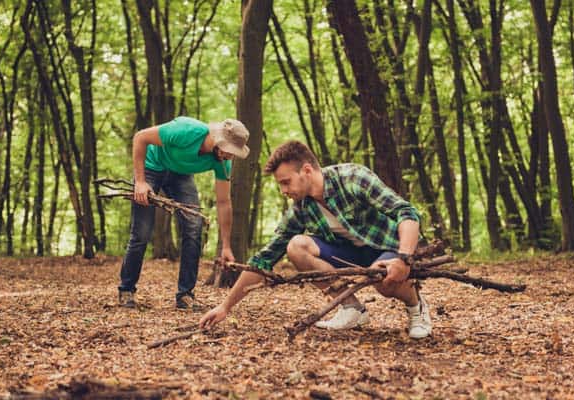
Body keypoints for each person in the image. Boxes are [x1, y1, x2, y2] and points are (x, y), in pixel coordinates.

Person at [199, 140, 432, 338]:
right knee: (296, 246)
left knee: (383, 281)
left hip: (387, 250)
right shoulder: (301, 208)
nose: (283, 190)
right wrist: (225, 307)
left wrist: (403, 258)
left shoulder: (352, 178)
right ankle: (352, 309)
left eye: (286, 182)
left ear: (307, 171)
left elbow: (407, 212)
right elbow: (264, 259)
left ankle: (416, 307)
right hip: (349, 255)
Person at [118, 116, 250, 310]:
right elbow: (140, 137)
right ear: (217, 140)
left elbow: (223, 202)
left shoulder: (222, 162)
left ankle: (185, 295)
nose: (230, 156)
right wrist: (140, 181)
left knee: (194, 226)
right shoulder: (187, 131)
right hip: (151, 167)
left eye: (234, 152)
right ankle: (126, 289)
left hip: (180, 175)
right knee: (141, 232)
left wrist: (227, 246)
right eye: (229, 150)